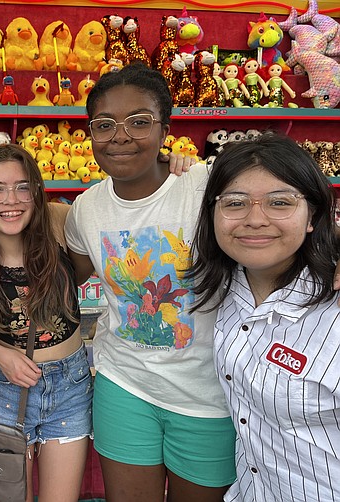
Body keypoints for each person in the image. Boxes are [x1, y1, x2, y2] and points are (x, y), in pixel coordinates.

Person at [64, 63, 237, 501]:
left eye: (139, 122)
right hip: (125, 384)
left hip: (208, 395)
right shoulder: (86, 209)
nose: (120, 136)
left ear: (165, 129)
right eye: (104, 125)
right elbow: (66, 278)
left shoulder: (204, 185)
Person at [189, 133, 340, 502]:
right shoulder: (226, 285)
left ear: (313, 216)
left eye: (280, 202)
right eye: (236, 203)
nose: (255, 220)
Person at [0, 143, 93, 502]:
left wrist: (170, 167)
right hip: (6, 388)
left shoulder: (59, 219)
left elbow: (119, 205)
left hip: (70, 385)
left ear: (36, 191)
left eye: (23, 187)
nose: (11, 200)